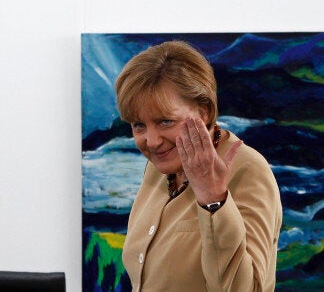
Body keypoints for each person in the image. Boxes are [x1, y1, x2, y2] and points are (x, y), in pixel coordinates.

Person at [116, 41, 282, 291]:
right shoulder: (159, 168)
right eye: (139, 125)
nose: (151, 141)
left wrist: (213, 200)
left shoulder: (248, 170)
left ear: (203, 112)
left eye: (165, 121)